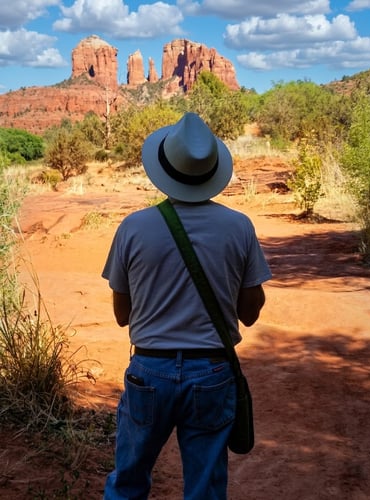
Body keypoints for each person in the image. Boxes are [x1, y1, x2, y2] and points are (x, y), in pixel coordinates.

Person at [102, 112, 272, 499]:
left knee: (128, 481)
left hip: (149, 370)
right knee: (205, 488)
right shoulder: (239, 226)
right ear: (211, 170)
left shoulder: (133, 226)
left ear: (164, 167)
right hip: (212, 371)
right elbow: (250, 311)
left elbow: (121, 314)